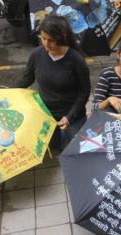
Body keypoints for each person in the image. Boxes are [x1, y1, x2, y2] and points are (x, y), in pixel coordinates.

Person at [14, 15, 91, 149]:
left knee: (76, 150)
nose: (46, 44)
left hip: (72, 117)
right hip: (46, 116)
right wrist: (5, 95)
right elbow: (26, 79)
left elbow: (84, 92)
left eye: (51, 40)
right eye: (43, 38)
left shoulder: (76, 60)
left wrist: (69, 117)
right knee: (54, 147)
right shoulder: (36, 55)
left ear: (61, 38)